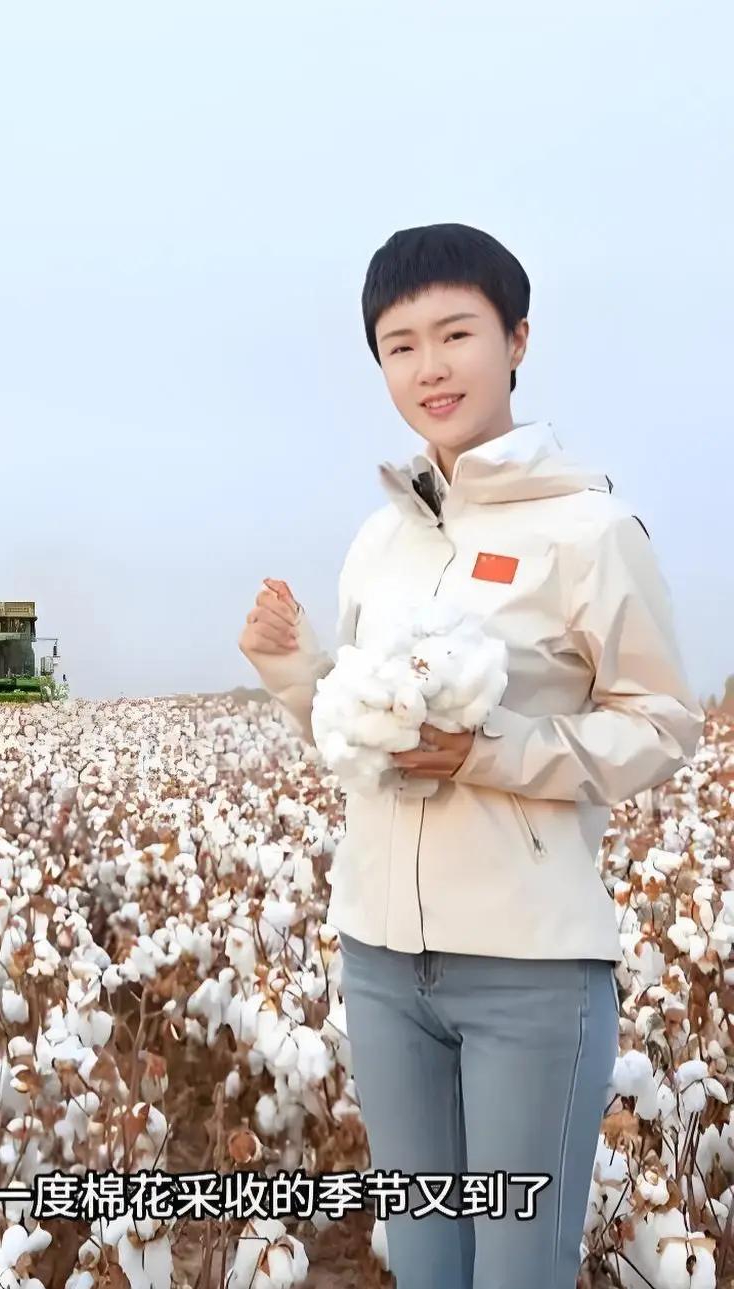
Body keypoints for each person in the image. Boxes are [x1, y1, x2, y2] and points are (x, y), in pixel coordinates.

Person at [237, 223, 705, 1289]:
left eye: (456, 333)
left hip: (528, 970)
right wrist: (296, 670)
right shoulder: (381, 539)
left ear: (517, 339)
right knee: (427, 1260)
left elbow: (662, 722)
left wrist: (491, 749)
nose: (429, 366)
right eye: (399, 345)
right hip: (379, 961)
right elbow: (365, 742)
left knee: (516, 1269)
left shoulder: (590, 530)